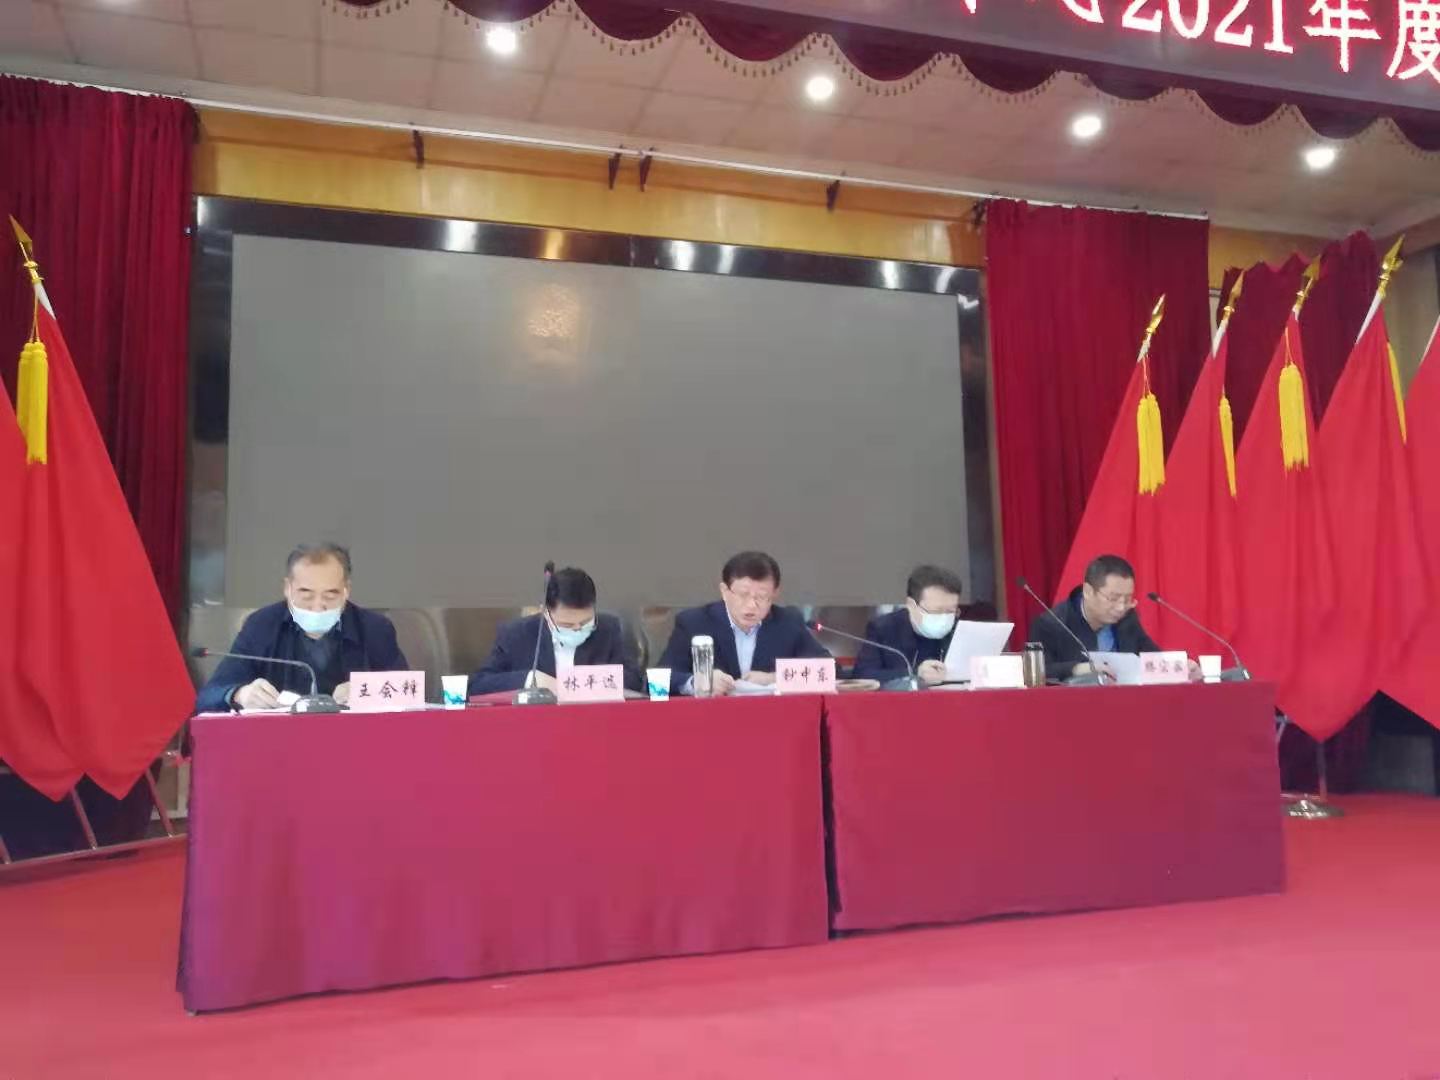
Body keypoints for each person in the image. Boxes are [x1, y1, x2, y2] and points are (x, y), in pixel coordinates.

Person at [194, 543, 408, 712]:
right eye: (306, 594)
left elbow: (411, 692)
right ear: (288, 588)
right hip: (279, 744)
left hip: (357, 741)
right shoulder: (261, 625)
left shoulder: (374, 629)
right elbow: (209, 695)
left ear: (346, 591)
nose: (318, 606)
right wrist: (239, 694)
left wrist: (370, 691)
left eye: (330, 595)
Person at [659, 550, 830, 696]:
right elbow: (656, 681)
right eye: (743, 595)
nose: (751, 605)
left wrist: (775, 678)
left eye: (761, 597)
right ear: (724, 591)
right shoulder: (694, 623)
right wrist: (698, 682)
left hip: (771, 718)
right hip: (712, 718)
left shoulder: (788, 622)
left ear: (775, 593)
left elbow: (829, 671)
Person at [468, 566, 642, 696]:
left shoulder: (609, 628)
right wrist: (530, 679)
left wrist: (581, 682)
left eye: (585, 622)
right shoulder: (516, 634)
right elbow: (478, 685)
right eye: (567, 625)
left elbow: (635, 681)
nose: (577, 629)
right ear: (545, 612)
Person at [1031, 553, 1197, 682]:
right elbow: (1038, 672)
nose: (1121, 607)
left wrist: (1182, 667)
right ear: (1088, 591)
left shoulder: (1127, 618)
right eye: (1113, 598)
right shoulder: (1052, 624)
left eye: (1128, 599)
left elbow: (1151, 656)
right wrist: (1078, 668)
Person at [851, 565, 966, 686]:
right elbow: (862, 675)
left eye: (950, 611)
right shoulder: (884, 628)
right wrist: (914, 674)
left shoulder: (960, 630)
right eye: (936, 611)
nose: (944, 619)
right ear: (911, 605)